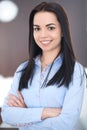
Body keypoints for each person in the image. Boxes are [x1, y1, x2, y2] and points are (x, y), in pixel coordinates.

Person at [1, 1, 86, 130]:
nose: (43, 35)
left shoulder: (75, 71)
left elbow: (67, 123)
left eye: (50, 27)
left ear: (62, 31)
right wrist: (47, 112)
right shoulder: (22, 70)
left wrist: (25, 115)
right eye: (37, 28)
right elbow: (7, 115)